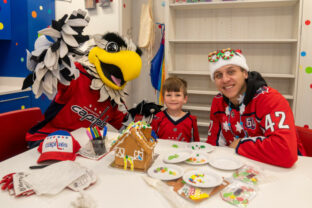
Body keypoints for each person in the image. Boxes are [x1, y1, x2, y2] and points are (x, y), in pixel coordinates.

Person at [206, 48, 306, 168]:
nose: (225, 79)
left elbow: (286, 152)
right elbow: (213, 145)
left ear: (245, 73)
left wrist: (239, 144)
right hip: (239, 168)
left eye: (231, 72)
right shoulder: (218, 101)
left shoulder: (270, 99)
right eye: (218, 75)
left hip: (284, 170)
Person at [151, 77, 200, 142]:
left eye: (177, 95)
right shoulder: (157, 118)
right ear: (163, 99)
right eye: (168, 95)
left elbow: (196, 145)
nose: (173, 99)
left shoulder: (191, 120)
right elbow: (150, 142)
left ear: (185, 99)